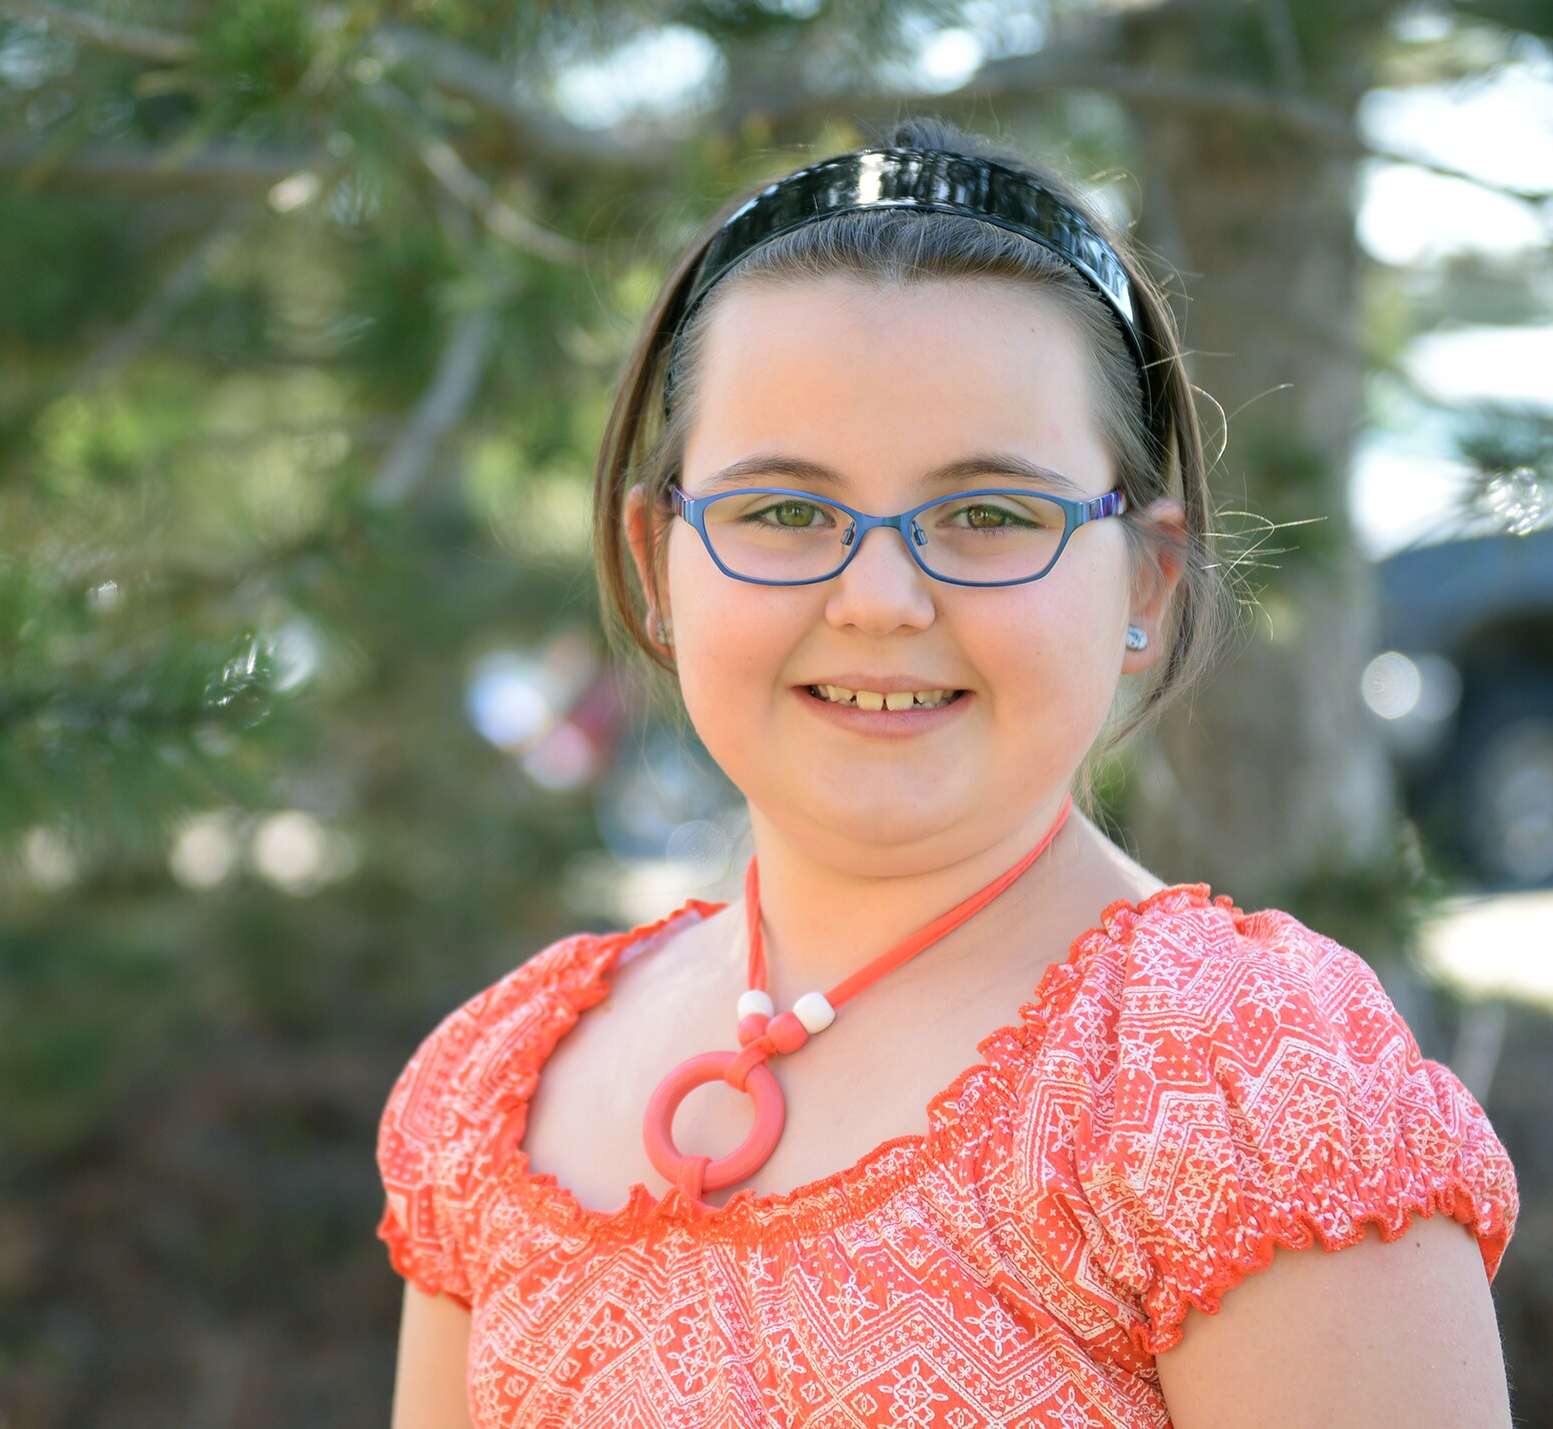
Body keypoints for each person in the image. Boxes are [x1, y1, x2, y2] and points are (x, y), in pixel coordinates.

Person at [376, 117, 1518, 1428]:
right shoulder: (498, 1088)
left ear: (1143, 578)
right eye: (786, 510)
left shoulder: (1244, 1088)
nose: (876, 598)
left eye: (989, 513)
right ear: (656, 561)